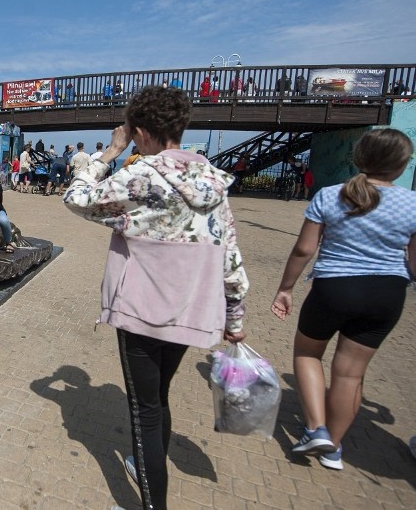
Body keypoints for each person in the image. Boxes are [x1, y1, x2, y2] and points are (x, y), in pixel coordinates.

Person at [63, 86, 249, 510]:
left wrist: (109, 153)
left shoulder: (140, 174)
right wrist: (235, 318)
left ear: (141, 132)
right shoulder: (213, 181)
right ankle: (146, 466)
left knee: (144, 410)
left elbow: (77, 199)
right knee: (159, 397)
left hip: (141, 310)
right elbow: (231, 254)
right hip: (189, 310)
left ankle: (151, 503)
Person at [270, 128, 415, 472]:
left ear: (358, 159)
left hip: (333, 290)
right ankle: (333, 448)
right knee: (350, 375)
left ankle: (315, 428)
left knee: (308, 353)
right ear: (402, 165)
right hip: (387, 294)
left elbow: (305, 248)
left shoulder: (331, 195)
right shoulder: (413, 203)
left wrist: (286, 288)